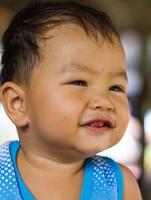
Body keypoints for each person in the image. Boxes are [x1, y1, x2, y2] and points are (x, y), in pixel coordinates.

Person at [0, 1, 142, 200]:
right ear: (18, 104)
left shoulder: (119, 186)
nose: (104, 101)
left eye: (115, 87)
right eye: (79, 82)